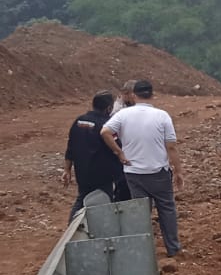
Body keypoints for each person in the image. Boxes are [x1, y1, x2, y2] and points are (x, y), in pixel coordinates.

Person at [101, 80, 183, 256]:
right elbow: (171, 147)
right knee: (166, 209)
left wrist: (119, 153)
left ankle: (144, 251)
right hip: (159, 172)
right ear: (152, 95)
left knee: (141, 211)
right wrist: (178, 171)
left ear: (134, 95)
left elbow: (104, 132)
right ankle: (173, 248)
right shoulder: (162, 116)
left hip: (134, 173)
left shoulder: (123, 115)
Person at [60, 91, 126, 216]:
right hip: (102, 173)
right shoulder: (107, 125)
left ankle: (72, 227)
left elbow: (71, 147)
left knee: (82, 199)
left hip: (82, 171)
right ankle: (102, 229)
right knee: (105, 200)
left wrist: (67, 169)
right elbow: (117, 147)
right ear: (109, 108)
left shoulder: (79, 121)